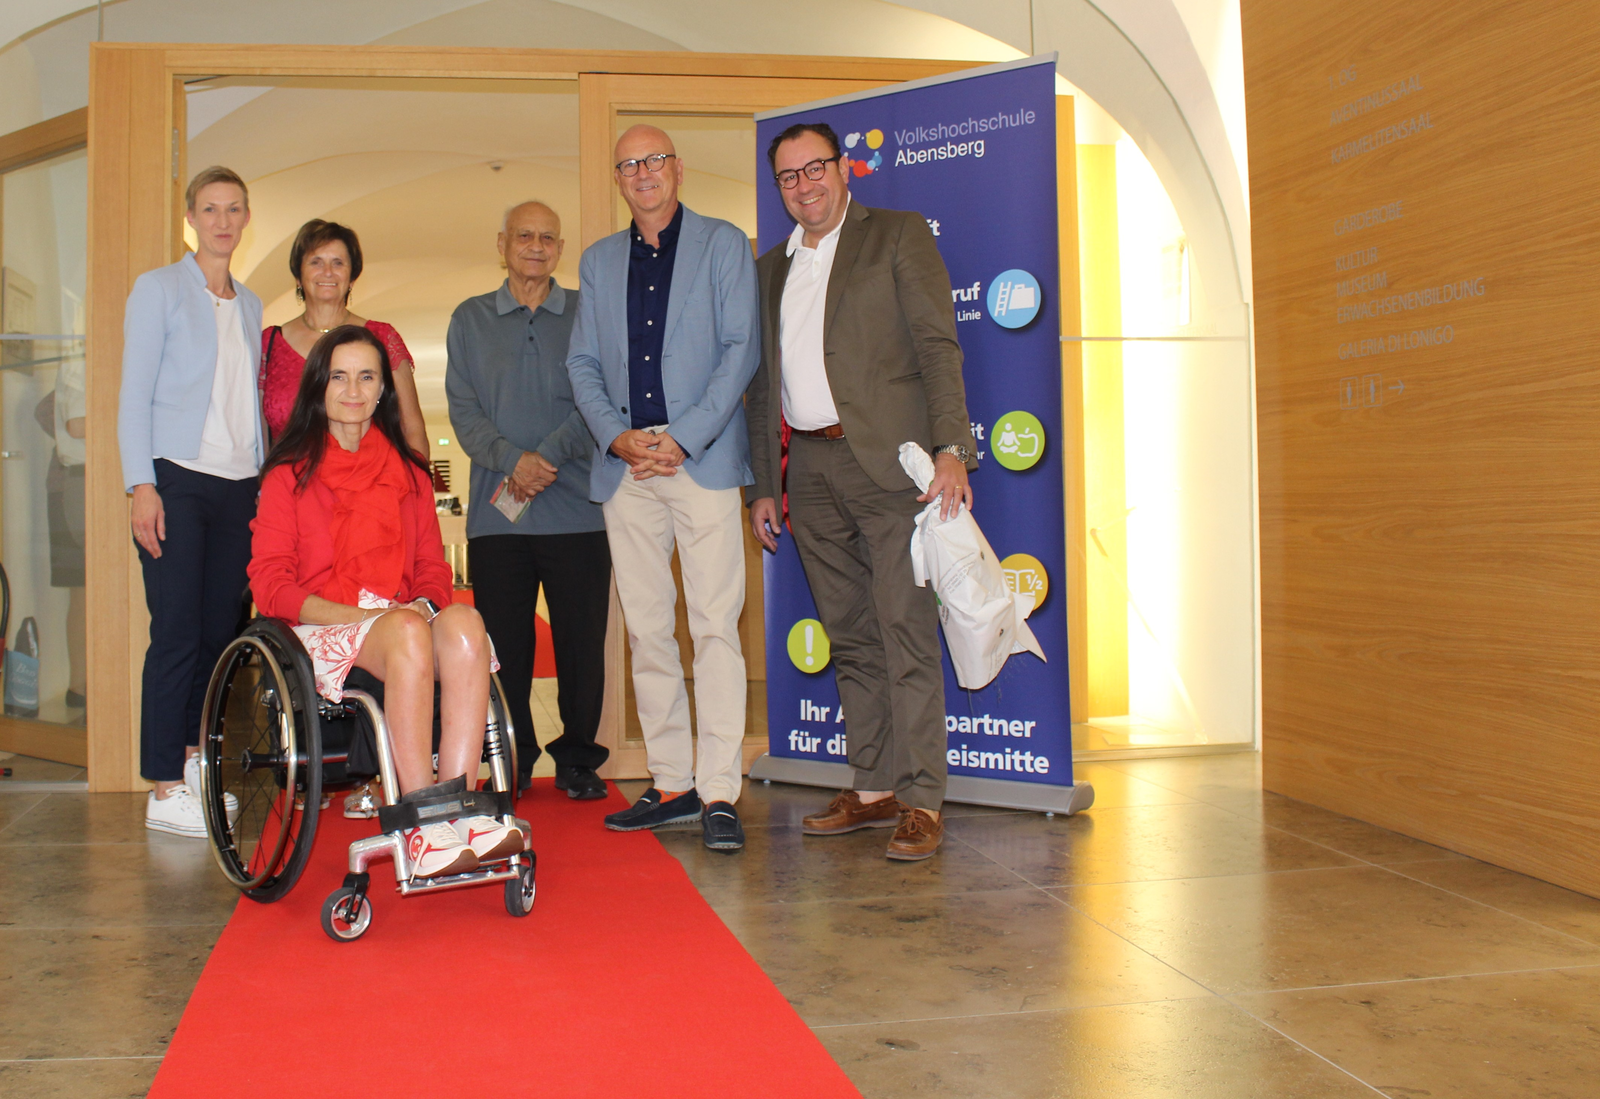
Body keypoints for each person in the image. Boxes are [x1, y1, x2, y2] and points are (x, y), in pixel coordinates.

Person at [746, 123, 979, 861]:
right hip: (809, 472)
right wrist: (764, 483)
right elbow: (762, 388)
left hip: (890, 464)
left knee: (904, 628)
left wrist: (952, 450)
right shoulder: (769, 269)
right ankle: (874, 787)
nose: (804, 185)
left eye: (815, 167)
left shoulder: (897, 235)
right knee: (850, 635)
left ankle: (923, 798)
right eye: (788, 176)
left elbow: (937, 345)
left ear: (843, 168)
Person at [248, 325, 521, 877]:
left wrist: (422, 604)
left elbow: (432, 570)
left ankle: (459, 809)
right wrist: (370, 618)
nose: (353, 390)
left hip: (397, 621)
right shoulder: (287, 474)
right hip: (321, 625)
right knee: (407, 631)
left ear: (382, 390)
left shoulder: (410, 473)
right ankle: (420, 823)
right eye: (339, 376)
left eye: (367, 377)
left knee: (465, 622)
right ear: (319, 386)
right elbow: (271, 585)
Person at [566, 125, 760, 852]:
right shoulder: (599, 261)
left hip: (698, 460)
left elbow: (741, 349)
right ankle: (673, 781)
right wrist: (617, 436)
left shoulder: (722, 244)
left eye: (653, 160)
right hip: (628, 468)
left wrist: (684, 437)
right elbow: (583, 364)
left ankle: (719, 790)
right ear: (618, 179)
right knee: (648, 630)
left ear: (677, 168)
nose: (642, 172)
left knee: (714, 626)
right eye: (628, 164)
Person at [446, 201, 611, 799]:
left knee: (580, 646)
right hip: (499, 519)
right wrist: (513, 460)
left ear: (560, 249)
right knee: (505, 650)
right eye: (524, 235)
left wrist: (546, 457)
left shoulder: (589, 312)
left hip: (579, 512)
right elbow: (464, 411)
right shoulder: (469, 319)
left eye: (547, 237)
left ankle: (578, 760)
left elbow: (601, 397)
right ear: (502, 244)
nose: (535, 246)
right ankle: (511, 760)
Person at [119, 166, 264, 837]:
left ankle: (193, 764)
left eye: (233, 209)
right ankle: (162, 784)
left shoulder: (251, 303)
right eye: (210, 209)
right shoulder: (159, 288)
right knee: (175, 632)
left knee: (217, 636)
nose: (222, 221)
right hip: (176, 478)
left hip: (239, 487)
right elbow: (134, 393)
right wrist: (141, 483)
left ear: (245, 218)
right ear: (191, 218)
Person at [258, 219, 428, 458]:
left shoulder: (381, 337)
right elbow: (259, 433)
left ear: (352, 277)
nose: (328, 272)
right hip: (289, 478)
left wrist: (415, 480)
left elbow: (412, 428)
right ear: (298, 275)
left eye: (338, 263)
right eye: (316, 262)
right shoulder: (269, 343)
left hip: (370, 479)